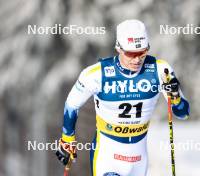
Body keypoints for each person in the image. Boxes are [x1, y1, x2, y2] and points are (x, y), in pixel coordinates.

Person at [56, 19, 190, 176]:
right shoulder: (97, 73)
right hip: (108, 153)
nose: (137, 59)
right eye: (131, 54)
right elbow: (72, 104)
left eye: (142, 53)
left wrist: (175, 97)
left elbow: (183, 113)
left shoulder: (160, 70)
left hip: (139, 157)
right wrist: (67, 139)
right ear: (119, 48)